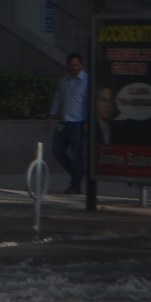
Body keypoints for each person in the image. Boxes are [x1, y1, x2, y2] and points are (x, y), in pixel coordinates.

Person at [49, 53, 89, 195]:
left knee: (77, 155)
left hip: (79, 123)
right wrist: (51, 116)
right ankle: (77, 172)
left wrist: (88, 121)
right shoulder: (64, 81)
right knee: (57, 151)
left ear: (81, 65)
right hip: (64, 123)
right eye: (71, 65)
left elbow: (90, 103)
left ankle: (75, 185)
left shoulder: (86, 80)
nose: (73, 68)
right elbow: (58, 99)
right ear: (67, 65)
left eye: (76, 65)